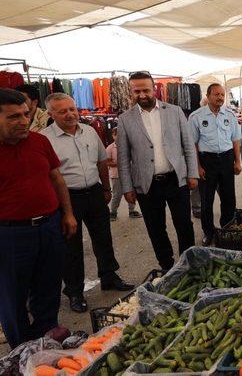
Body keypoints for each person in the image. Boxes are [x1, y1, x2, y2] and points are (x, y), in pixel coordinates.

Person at [42, 93, 133, 313]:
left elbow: (102, 161)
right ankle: (74, 291)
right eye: (62, 111)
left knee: (103, 237)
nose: (70, 114)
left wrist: (105, 187)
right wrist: (63, 209)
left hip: (93, 192)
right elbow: (48, 175)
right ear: (50, 114)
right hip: (66, 197)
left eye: (72, 109)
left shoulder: (90, 131)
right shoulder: (44, 139)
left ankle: (109, 276)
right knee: (71, 247)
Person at [0, 89, 76, 348]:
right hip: (10, 234)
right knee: (12, 295)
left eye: (25, 114)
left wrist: (67, 213)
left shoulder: (39, 141)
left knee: (48, 287)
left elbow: (56, 178)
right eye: (13, 117)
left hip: (49, 226)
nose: (23, 121)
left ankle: (47, 338)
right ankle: (22, 349)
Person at [117, 71, 198, 271]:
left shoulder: (175, 111)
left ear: (154, 89)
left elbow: (188, 145)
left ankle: (189, 264)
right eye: (137, 91)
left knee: (184, 224)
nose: (142, 95)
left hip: (175, 179)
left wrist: (192, 173)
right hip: (147, 184)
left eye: (146, 90)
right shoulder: (125, 119)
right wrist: (127, 187)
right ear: (131, 92)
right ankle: (167, 266)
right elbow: (123, 157)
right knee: (155, 228)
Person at [189, 83, 242, 247]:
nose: (220, 97)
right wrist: (197, 167)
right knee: (206, 200)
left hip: (226, 159)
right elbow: (193, 144)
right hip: (207, 161)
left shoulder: (230, 115)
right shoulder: (196, 117)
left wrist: (237, 161)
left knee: (229, 198)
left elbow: (235, 140)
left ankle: (227, 229)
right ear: (208, 95)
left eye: (222, 95)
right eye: (216, 94)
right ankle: (209, 233)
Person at [105, 127, 142, 221]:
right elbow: (106, 162)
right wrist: (119, 163)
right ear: (112, 135)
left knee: (131, 192)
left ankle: (132, 210)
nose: (117, 136)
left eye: (119, 135)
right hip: (116, 175)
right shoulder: (110, 148)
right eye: (115, 134)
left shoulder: (129, 146)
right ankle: (113, 212)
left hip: (130, 175)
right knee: (117, 195)